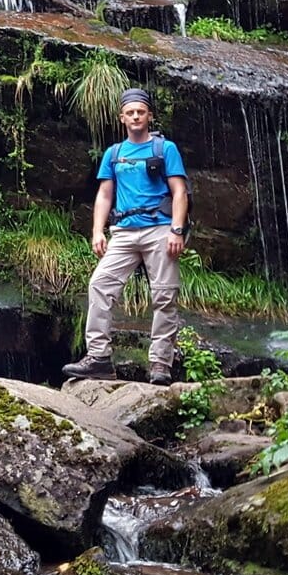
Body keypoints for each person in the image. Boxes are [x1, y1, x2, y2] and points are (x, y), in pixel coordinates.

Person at [63, 87, 190, 386]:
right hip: (123, 232)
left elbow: (179, 191)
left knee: (164, 295)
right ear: (122, 118)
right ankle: (99, 358)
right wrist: (97, 230)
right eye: (130, 112)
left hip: (160, 229)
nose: (135, 116)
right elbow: (105, 194)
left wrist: (177, 229)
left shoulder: (165, 149)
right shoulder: (114, 153)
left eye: (141, 112)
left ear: (149, 116)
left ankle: (160, 365)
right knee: (99, 285)